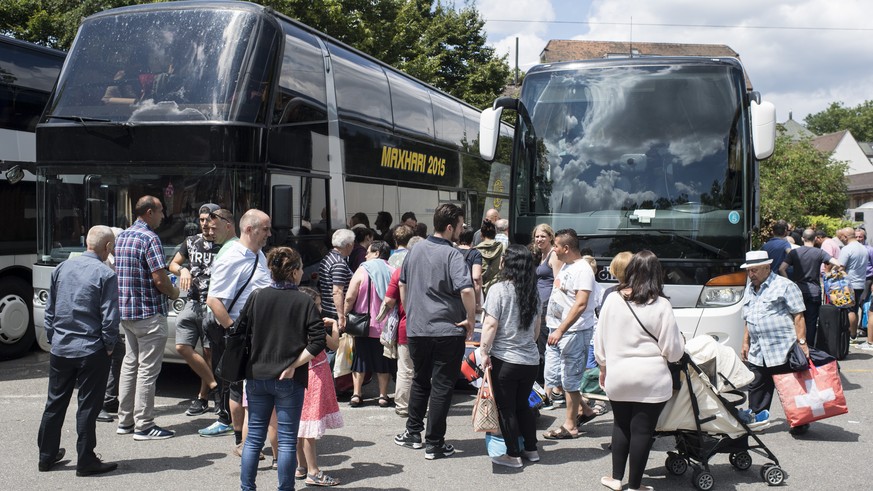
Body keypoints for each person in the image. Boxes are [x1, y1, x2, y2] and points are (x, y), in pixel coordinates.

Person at [595, 250, 685, 491]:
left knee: (620, 425)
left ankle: (615, 479)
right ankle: (635, 485)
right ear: (658, 274)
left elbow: (599, 337)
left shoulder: (613, 298)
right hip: (651, 378)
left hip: (618, 375)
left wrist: (603, 365)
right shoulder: (662, 304)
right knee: (642, 431)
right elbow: (673, 350)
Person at [239, 247, 327, 491]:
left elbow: (239, 332)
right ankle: (285, 488)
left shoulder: (257, 296)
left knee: (254, 439)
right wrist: (294, 365)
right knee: (287, 440)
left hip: (257, 375)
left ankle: (247, 488)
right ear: (295, 271)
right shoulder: (302, 300)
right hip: (290, 379)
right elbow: (318, 340)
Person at [394, 203, 476, 459]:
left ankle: (413, 432)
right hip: (447, 329)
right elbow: (466, 289)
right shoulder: (453, 255)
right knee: (442, 386)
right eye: (461, 226)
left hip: (418, 329)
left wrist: (410, 311)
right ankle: (435, 443)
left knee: (420, 379)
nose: (462, 231)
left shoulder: (415, 249)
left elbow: (403, 284)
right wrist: (471, 319)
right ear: (450, 227)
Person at [38, 226, 120, 476]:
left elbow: (49, 309)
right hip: (91, 349)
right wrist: (108, 347)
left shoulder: (62, 268)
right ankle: (86, 460)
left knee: (55, 403)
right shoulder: (105, 274)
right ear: (107, 247)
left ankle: (46, 456)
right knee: (87, 406)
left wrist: (54, 338)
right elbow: (110, 318)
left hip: (61, 348)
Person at [200, 209, 272, 448]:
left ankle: (248, 441)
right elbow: (214, 300)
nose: (269, 234)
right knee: (240, 388)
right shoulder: (233, 256)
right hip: (241, 332)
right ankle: (242, 442)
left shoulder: (258, 254)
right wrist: (234, 331)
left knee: (244, 388)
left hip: (257, 332)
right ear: (249, 229)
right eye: (265, 229)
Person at [115, 196, 180, 440]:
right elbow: (160, 280)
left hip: (127, 314)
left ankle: (125, 420)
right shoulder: (149, 238)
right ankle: (144, 425)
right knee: (147, 371)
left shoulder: (122, 236)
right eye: (161, 211)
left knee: (130, 366)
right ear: (150, 212)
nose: (163, 216)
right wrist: (174, 293)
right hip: (149, 314)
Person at [479, 245, 542, 468]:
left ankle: (513, 455)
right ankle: (531, 450)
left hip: (505, 359)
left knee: (506, 409)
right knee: (522, 405)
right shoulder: (533, 292)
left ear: (507, 263)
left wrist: (483, 352)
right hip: (530, 360)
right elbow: (536, 330)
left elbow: (490, 324)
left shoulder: (498, 289)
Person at [741, 250, 809, 435]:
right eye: (748, 271)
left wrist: (802, 343)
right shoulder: (750, 287)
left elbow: (798, 316)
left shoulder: (785, 286)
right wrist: (745, 342)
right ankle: (756, 420)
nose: (751, 274)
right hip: (758, 348)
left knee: (790, 386)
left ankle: (800, 421)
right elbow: (748, 317)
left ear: (766, 267)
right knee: (757, 385)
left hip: (783, 347)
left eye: (754, 270)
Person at [542, 228, 598, 440]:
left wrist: (561, 329)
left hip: (572, 333)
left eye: (555, 245)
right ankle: (586, 410)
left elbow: (581, 303)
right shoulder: (566, 265)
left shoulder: (583, 269)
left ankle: (570, 426)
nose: (553, 249)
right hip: (556, 331)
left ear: (566, 248)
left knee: (570, 380)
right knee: (556, 377)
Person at [168, 203, 221, 416]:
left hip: (214, 303)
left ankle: (202, 398)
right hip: (192, 302)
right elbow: (172, 264)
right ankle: (215, 388)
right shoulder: (191, 242)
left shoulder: (225, 244)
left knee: (209, 352)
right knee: (182, 346)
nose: (205, 223)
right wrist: (183, 270)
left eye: (209, 219)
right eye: (201, 220)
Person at [295, 287, 343, 486]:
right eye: (317, 304)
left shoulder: (294, 324)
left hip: (300, 377)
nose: (320, 308)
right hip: (314, 377)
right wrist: (334, 325)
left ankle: (300, 466)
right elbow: (334, 345)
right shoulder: (313, 326)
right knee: (309, 428)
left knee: (300, 425)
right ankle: (313, 472)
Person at [343, 241, 397, 407]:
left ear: (377, 252)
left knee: (360, 359)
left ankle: (357, 394)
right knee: (383, 361)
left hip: (363, 324)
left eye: (368, 252)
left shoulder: (363, 269)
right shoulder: (393, 270)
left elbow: (350, 296)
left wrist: (344, 313)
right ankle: (382, 396)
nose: (365, 255)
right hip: (386, 326)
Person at [378, 235, 423, 417]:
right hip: (429, 327)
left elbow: (389, 300)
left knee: (405, 369)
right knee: (425, 371)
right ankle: (422, 406)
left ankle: (403, 407)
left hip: (406, 327)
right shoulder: (432, 270)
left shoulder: (400, 271)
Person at [779, 228, 842, 346]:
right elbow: (838, 263)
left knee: (796, 320)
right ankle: (810, 348)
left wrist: (789, 283)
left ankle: (798, 346)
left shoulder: (794, 252)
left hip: (798, 291)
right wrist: (830, 273)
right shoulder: (819, 252)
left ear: (802, 238)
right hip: (814, 291)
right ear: (815, 239)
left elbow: (781, 268)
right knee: (811, 322)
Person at [96, 227, 125, 423]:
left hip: (105, 320)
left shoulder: (112, 260)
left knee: (119, 352)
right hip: (100, 321)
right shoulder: (104, 264)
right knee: (101, 361)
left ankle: (108, 398)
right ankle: (99, 404)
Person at [530, 224, 563, 390]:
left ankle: (546, 386)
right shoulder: (540, 256)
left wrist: (551, 308)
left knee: (543, 345)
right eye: (537, 236)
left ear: (551, 237)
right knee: (537, 343)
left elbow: (557, 283)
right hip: (537, 305)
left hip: (546, 307)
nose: (539, 239)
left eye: (543, 236)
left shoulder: (553, 256)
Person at [318, 229, 355, 328]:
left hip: (328, 309)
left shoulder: (328, 258)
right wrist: (341, 317)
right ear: (348, 245)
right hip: (335, 313)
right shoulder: (339, 263)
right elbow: (337, 291)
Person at [837, 227, 869, 339]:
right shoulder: (864, 248)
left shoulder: (847, 249)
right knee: (855, 310)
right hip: (861, 283)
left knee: (849, 310)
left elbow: (840, 267)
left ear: (846, 237)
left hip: (849, 283)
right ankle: (854, 334)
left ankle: (851, 335)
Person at [457, 225, 484, 313]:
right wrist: (477, 303)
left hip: (453, 296)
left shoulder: (451, 251)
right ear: (472, 238)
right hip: (468, 295)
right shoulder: (475, 254)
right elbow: (476, 278)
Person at [475, 220, 505, 298]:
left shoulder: (475, 251)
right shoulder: (502, 248)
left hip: (479, 291)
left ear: (481, 235)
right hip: (497, 289)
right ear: (495, 234)